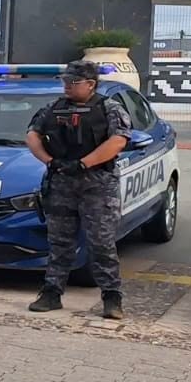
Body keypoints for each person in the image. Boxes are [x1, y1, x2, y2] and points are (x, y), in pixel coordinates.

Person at [25, 59, 131, 320]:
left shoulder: (109, 108)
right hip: (62, 183)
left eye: (73, 82)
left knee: (102, 243)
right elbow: (32, 135)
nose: (67, 86)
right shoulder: (53, 108)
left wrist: (84, 163)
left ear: (91, 84)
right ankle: (51, 293)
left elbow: (118, 141)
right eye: (65, 81)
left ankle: (112, 297)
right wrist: (49, 161)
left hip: (98, 185)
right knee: (59, 242)